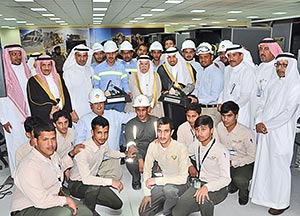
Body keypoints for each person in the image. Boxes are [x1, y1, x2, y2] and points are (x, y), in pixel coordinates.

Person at [250, 53, 300, 215]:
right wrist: (258, 120)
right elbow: (261, 104)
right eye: (278, 65)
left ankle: (281, 202)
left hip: (281, 133)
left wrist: (266, 125)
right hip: (265, 130)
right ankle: (264, 197)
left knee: (279, 167)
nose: (280, 68)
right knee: (265, 164)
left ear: (291, 66)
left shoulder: (295, 85)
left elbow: (288, 113)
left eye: (284, 65)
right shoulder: (272, 82)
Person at [11, 123, 92, 216]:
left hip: (52, 197)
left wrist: (71, 154)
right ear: (35, 141)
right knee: (64, 213)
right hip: (27, 207)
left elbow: (59, 168)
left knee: (86, 213)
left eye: (53, 139)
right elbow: (40, 200)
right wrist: (65, 200)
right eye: (45, 139)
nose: (51, 144)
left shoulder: (53, 155)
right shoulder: (28, 166)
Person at [69, 116, 136, 215]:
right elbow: (87, 179)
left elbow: (109, 152)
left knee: (117, 204)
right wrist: (111, 182)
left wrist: (125, 154)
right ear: (92, 132)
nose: (103, 137)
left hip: (93, 180)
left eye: (106, 132)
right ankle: (89, 211)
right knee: (94, 187)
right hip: (76, 184)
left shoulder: (103, 143)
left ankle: (86, 200)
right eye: (99, 133)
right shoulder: (82, 151)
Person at [172, 115, 231, 216]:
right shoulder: (196, 144)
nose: (199, 133)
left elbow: (226, 179)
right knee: (176, 212)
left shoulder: (221, 151)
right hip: (200, 183)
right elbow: (183, 153)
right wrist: (190, 165)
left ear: (212, 130)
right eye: (197, 130)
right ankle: (196, 203)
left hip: (218, 187)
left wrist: (207, 187)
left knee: (203, 199)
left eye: (203, 129)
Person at [75, 88, 136, 179]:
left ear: (105, 103)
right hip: (92, 160)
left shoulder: (114, 115)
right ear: (91, 105)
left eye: (101, 102)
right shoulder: (83, 120)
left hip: (111, 159)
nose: (99, 106)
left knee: (116, 178)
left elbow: (130, 117)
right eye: (96, 103)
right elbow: (78, 144)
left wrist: (144, 112)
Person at [139, 117, 190, 216]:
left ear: (171, 132)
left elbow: (183, 179)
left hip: (181, 184)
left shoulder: (180, 148)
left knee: (169, 191)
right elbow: (147, 171)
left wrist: (156, 181)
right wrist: (147, 193)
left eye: (166, 131)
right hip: (164, 182)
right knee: (143, 213)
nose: (162, 135)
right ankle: (170, 203)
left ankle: (169, 212)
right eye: (159, 131)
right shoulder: (153, 146)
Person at [216, 101, 256, 205]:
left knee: (240, 180)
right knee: (226, 187)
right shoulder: (219, 127)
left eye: (229, 116)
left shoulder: (246, 133)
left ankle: (244, 191)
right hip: (226, 160)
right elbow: (216, 146)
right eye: (223, 116)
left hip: (243, 163)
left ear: (236, 116)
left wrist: (234, 163)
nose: (225, 119)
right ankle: (232, 184)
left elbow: (252, 156)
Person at [0, 44, 31, 174]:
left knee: (28, 142)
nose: (18, 57)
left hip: (27, 113)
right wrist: (3, 120)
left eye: (19, 54)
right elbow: (1, 98)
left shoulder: (25, 70)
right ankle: (17, 173)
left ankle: (29, 172)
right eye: (14, 54)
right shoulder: (3, 74)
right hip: (11, 116)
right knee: (15, 145)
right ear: (8, 56)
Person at [157, 47, 196, 134]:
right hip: (168, 104)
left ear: (178, 56)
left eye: (174, 56)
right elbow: (160, 87)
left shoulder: (187, 67)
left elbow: (191, 84)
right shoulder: (162, 69)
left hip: (182, 103)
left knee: (183, 126)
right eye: (169, 57)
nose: (171, 59)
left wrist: (180, 94)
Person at [27, 55, 75, 124]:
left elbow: (66, 95)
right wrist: (50, 108)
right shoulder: (33, 81)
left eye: (49, 65)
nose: (47, 68)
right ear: (39, 66)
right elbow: (33, 101)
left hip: (62, 114)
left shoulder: (58, 77)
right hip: (46, 117)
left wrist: (68, 110)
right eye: (44, 65)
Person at [218, 44, 256, 129]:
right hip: (226, 113)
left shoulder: (247, 71)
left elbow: (245, 97)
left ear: (241, 56)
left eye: (234, 55)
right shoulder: (227, 69)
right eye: (229, 56)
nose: (231, 58)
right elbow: (224, 89)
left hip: (240, 113)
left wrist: (229, 110)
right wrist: (220, 102)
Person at [125, 95, 159, 190]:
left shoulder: (156, 121)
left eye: (143, 110)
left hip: (153, 149)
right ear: (135, 110)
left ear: (148, 109)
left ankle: (154, 174)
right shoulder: (130, 124)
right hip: (138, 150)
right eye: (138, 110)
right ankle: (136, 178)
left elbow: (162, 139)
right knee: (130, 158)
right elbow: (131, 145)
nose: (141, 113)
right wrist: (140, 160)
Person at [93, 40, 131, 112]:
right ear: (104, 54)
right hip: (105, 102)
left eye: (113, 53)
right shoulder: (98, 69)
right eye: (108, 53)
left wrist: (128, 92)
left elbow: (125, 84)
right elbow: (96, 86)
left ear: (116, 53)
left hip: (119, 102)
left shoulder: (121, 67)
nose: (111, 56)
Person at [191, 42, 224, 126]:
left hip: (212, 110)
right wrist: (192, 97)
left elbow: (215, 96)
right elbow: (197, 89)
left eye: (206, 57)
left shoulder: (216, 73)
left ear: (212, 57)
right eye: (201, 57)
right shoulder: (200, 71)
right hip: (201, 109)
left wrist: (198, 100)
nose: (203, 60)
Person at [63, 44, 93, 119]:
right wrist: (72, 111)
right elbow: (67, 94)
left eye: (84, 56)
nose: (82, 59)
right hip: (76, 111)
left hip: (90, 109)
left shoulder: (90, 70)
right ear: (75, 56)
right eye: (79, 56)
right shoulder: (68, 73)